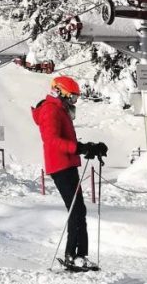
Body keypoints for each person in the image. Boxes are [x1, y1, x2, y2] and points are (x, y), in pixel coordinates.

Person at [32, 75, 108, 270]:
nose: (74, 101)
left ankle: (79, 255)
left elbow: (65, 140)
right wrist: (79, 148)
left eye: (76, 98)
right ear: (60, 92)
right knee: (75, 211)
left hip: (67, 164)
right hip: (60, 166)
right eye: (72, 97)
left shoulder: (60, 109)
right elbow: (52, 141)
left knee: (78, 210)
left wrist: (88, 147)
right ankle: (72, 256)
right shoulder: (50, 110)